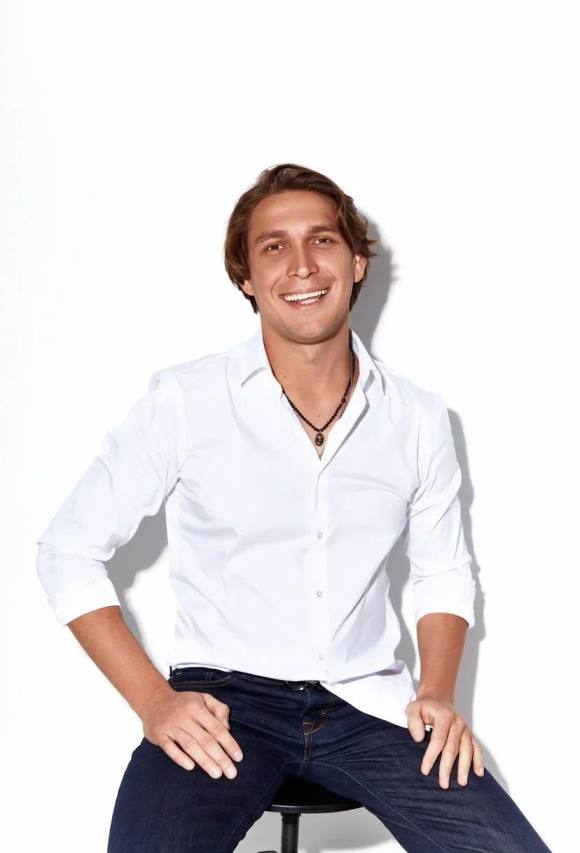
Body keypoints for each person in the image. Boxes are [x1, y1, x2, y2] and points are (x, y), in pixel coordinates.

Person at [36, 163, 551, 852]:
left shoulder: (417, 418)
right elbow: (68, 551)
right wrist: (154, 701)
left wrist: (435, 691)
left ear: (357, 261)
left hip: (370, 706)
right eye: (274, 246)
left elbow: (442, 573)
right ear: (247, 277)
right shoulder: (187, 401)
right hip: (224, 702)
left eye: (322, 240)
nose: (301, 265)